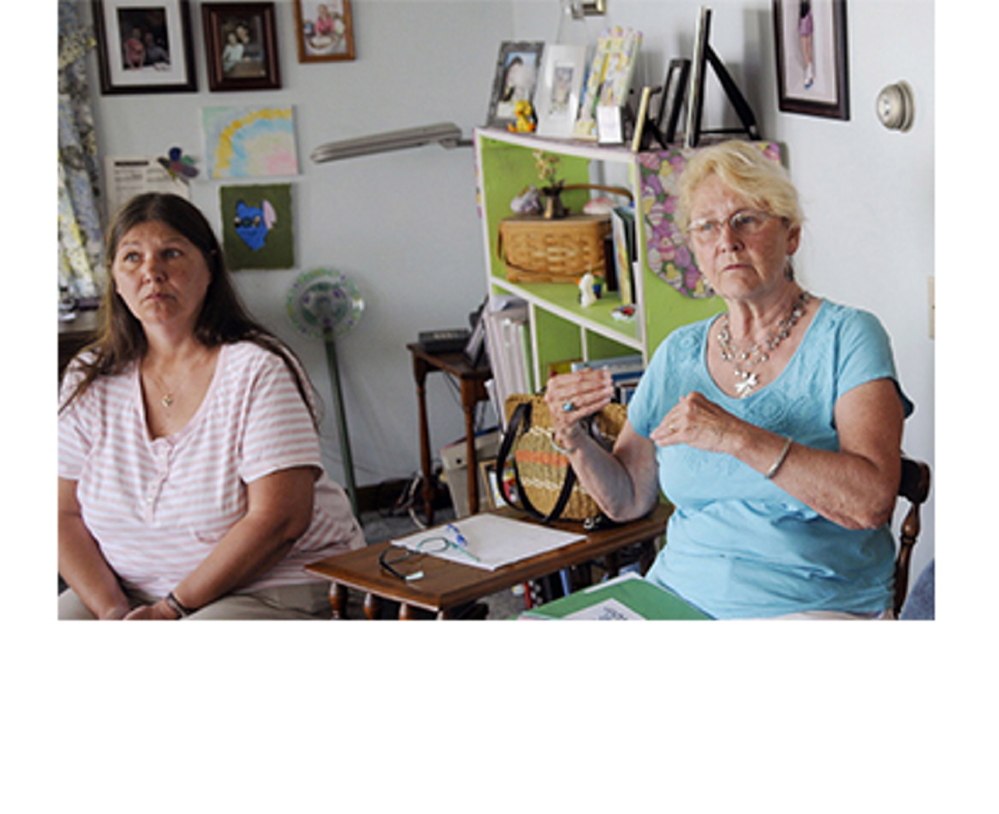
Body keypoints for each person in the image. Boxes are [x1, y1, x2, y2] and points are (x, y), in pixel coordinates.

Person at [545, 140, 913, 619]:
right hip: (674, 597)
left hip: (810, 605)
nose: (727, 240)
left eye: (747, 219)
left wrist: (736, 437)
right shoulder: (678, 352)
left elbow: (870, 503)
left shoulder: (848, 336)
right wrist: (574, 439)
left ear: (792, 235)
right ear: (695, 251)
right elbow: (629, 498)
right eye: (707, 226)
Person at [58, 193, 364, 620]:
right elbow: (62, 514)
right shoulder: (90, 375)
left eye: (171, 253)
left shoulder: (257, 369)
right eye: (132, 257)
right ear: (113, 276)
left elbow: (280, 521)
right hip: (130, 588)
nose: (151, 272)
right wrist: (111, 611)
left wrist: (170, 609)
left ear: (210, 267)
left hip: (270, 583)